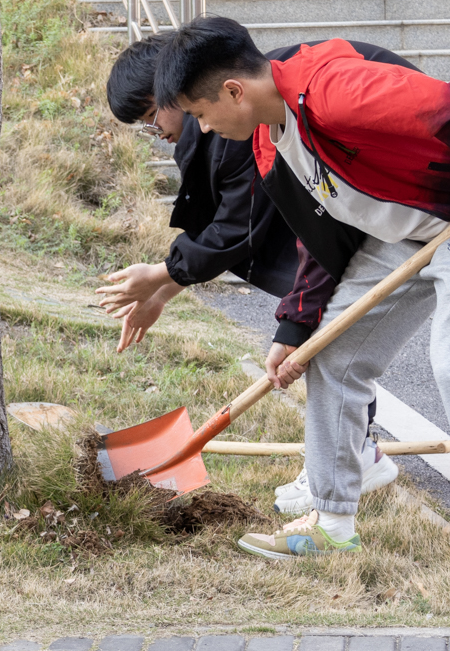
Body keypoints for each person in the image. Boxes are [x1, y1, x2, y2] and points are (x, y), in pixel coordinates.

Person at [154, 15, 450, 606]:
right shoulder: (272, 142)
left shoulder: (335, 92)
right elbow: (325, 239)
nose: (205, 128)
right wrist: (296, 327)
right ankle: (332, 521)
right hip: (403, 230)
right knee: (331, 355)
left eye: (199, 114)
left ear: (233, 92)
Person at [97, 33, 411, 513]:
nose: (156, 132)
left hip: (393, 195)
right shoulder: (216, 128)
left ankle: (352, 461)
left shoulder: (248, 120)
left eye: (150, 118)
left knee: (333, 345)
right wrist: (166, 287)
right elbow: (228, 219)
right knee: (322, 339)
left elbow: (239, 226)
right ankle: (348, 457)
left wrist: (167, 274)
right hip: (351, 211)